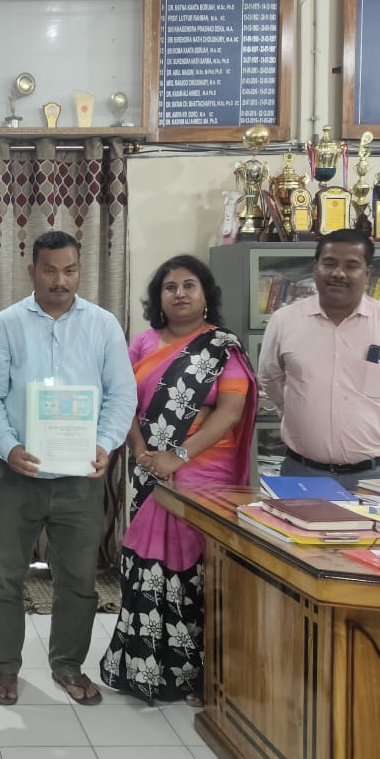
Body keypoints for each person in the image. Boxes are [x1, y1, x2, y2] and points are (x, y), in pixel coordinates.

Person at [0, 230, 136, 708]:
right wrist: (8, 447)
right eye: (49, 270)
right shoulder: (6, 326)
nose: (60, 281)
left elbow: (122, 394)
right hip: (16, 476)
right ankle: (5, 667)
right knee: (5, 579)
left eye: (69, 270)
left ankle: (68, 664)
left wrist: (104, 444)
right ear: (32, 271)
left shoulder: (103, 325)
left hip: (79, 480)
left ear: (80, 271)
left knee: (79, 581)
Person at [98, 255, 258, 706]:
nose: (180, 293)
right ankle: (145, 669)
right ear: (159, 298)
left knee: (200, 574)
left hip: (205, 476)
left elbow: (230, 412)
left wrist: (179, 455)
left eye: (189, 285)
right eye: (170, 287)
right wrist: (140, 451)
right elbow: (123, 401)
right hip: (150, 468)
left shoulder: (221, 347)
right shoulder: (143, 343)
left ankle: (202, 674)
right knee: (144, 564)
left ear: (206, 295)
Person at [260, 229, 380, 491]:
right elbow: (270, 377)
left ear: (367, 273)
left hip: (376, 475)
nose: (338, 273)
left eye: (351, 266)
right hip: (302, 471)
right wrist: (299, 409)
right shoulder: (284, 321)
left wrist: (378, 414)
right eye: (329, 263)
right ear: (315, 268)